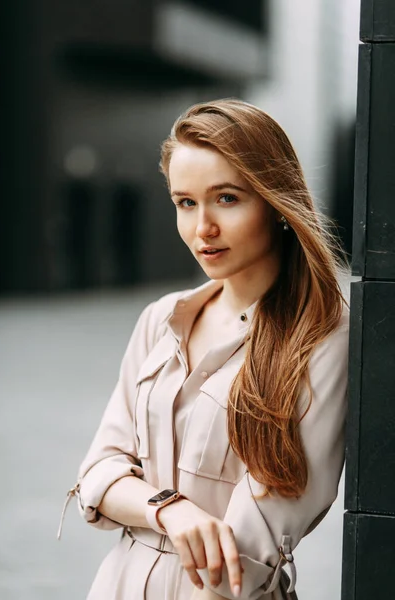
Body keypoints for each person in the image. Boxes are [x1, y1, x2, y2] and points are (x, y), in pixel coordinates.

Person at [60, 99, 350, 600]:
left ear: (275, 201)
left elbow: (249, 549)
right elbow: (99, 474)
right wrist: (172, 509)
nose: (202, 229)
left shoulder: (321, 338)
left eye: (227, 199)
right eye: (185, 203)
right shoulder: (163, 318)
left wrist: (144, 503)